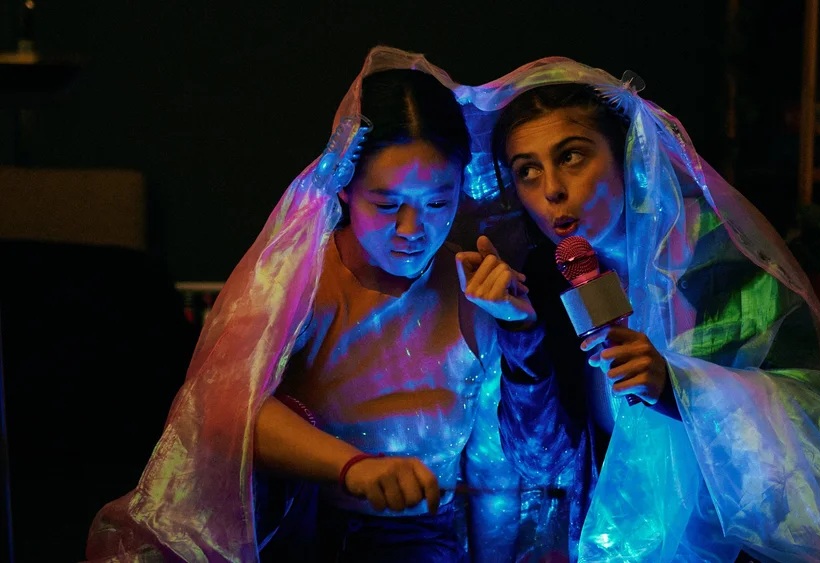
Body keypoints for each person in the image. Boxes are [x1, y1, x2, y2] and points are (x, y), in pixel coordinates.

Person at [456, 57, 820, 561]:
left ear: (627, 152)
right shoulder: (545, 278)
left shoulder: (713, 256)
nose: (551, 190)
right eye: (527, 170)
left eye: (571, 156)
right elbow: (543, 461)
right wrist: (520, 331)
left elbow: (819, 421)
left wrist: (681, 389)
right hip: (611, 539)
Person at [84, 46, 521, 563]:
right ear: (344, 188)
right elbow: (226, 410)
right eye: (387, 204)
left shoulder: (472, 286)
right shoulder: (300, 278)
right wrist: (353, 467)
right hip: (309, 536)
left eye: (438, 203)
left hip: (429, 542)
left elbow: (492, 465)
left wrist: (523, 332)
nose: (412, 230)